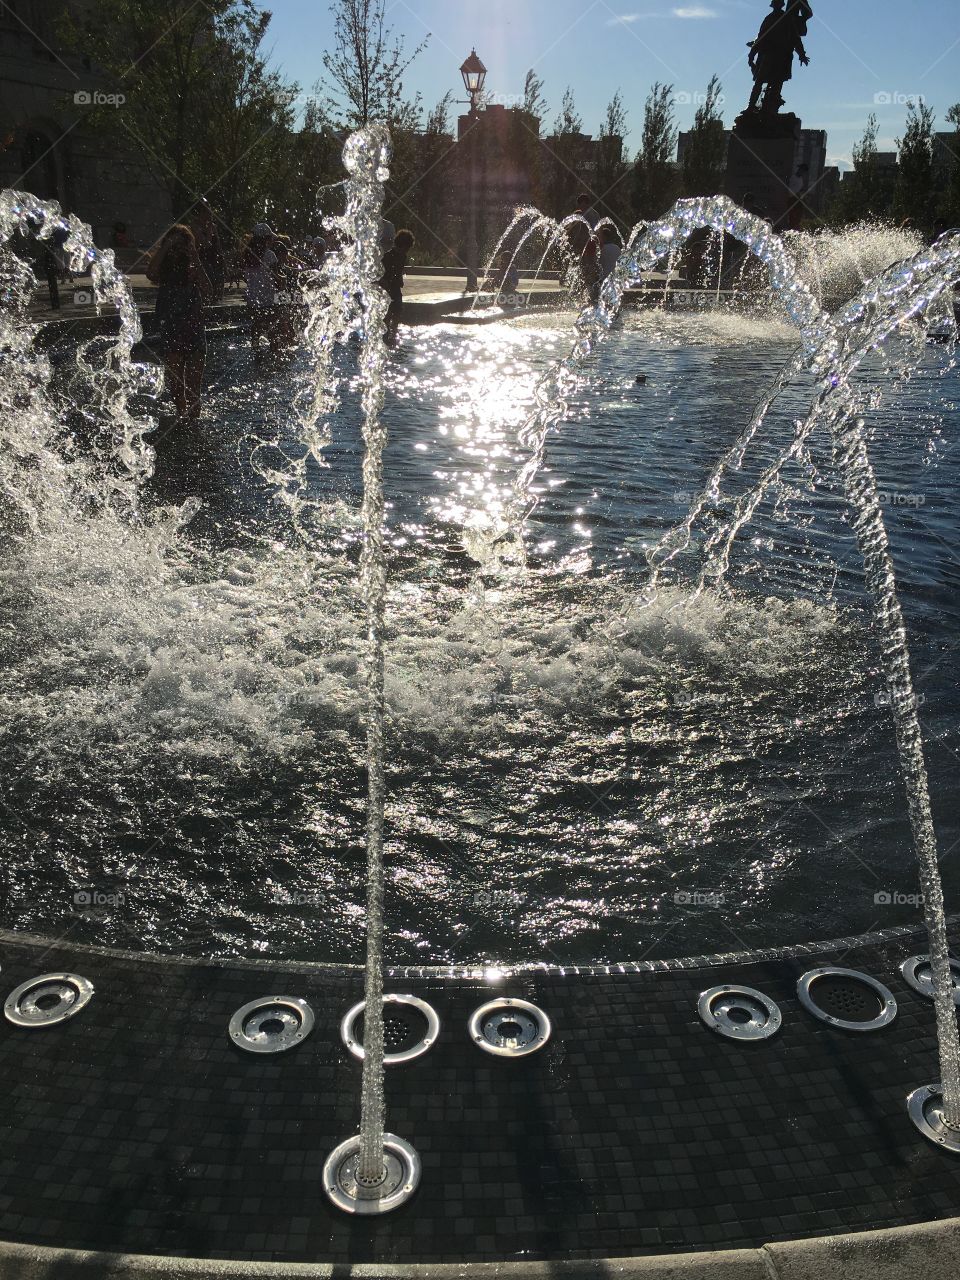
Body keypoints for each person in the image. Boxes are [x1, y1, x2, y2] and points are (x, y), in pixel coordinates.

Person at [147, 224, 211, 421]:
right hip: (171, 327)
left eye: (181, 245)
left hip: (193, 326)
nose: (178, 251)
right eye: (174, 246)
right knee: (176, 384)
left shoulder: (193, 267)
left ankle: (194, 422)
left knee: (194, 385)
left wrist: (194, 256)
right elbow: (151, 273)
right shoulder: (164, 273)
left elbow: (209, 291)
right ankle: (183, 418)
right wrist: (166, 247)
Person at [747, 0, 809, 116]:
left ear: (780, 5)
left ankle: (768, 110)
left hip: (781, 58)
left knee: (776, 84)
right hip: (767, 56)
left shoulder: (787, 19)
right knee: (759, 82)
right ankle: (751, 107)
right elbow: (761, 37)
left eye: (777, 3)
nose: (776, 5)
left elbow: (795, 38)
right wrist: (752, 54)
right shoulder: (768, 19)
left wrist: (802, 54)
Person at [241, 222, 280, 355]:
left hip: (252, 297)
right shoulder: (270, 255)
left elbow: (246, 277)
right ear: (266, 239)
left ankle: (255, 349)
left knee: (256, 325)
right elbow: (276, 278)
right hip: (268, 297)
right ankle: (274, 352)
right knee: (273, 327)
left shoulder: (247, 254)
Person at [378, 228, 415, 346]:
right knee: (387, 315)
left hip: (396, 288)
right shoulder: (388, 256)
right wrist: (383, 282)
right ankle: (385, 337)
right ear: (402, 245)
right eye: (406, 248)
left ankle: (393, 335)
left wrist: (400, 280)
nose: (407, 251)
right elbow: (380, 274)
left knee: (398, 311)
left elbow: (398, 272)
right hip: (386, 289)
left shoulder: (403, 257)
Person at [192, 199, 225, 302]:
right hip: (203, 263)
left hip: (215, 262)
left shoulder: (213, 226)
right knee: (205, 293)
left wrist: (224, 265)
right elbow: (206, 244)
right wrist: (209, 229)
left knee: (218, 295)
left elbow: (218, 246)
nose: (210, 212)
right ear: (200, 212)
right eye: (206, 210)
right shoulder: (194, 226)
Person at [597, 226, 622, 292]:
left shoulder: (601, 249)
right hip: (615, 279)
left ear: (604, 237)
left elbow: (598, 263)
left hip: (603, 279)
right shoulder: (617, 248)